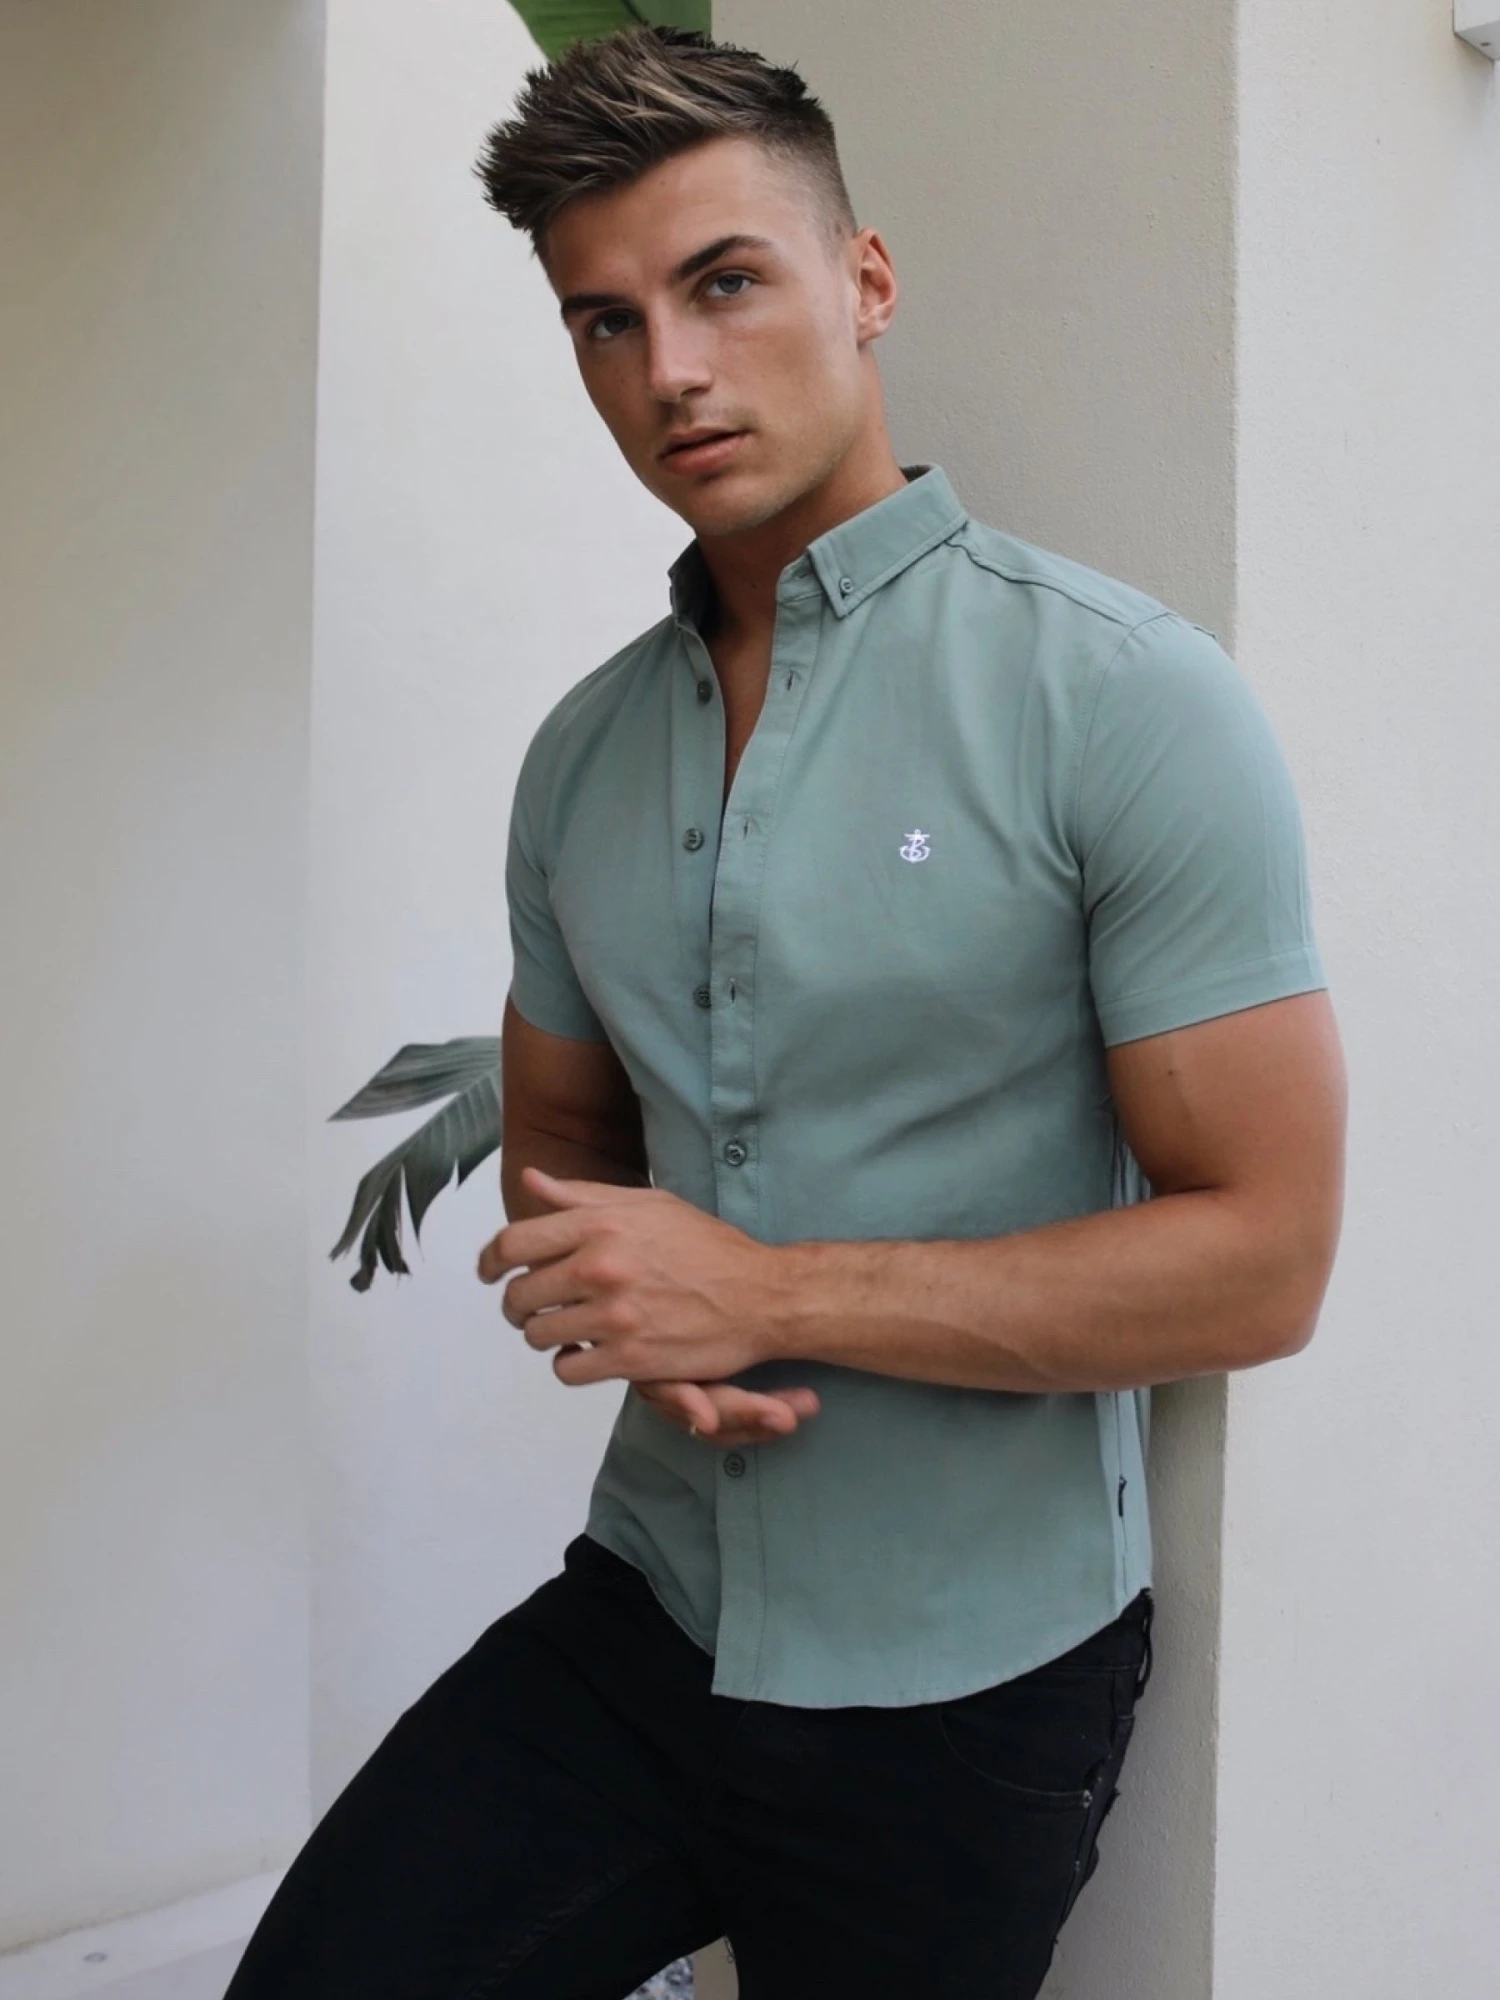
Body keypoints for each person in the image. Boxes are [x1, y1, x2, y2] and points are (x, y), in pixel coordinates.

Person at [225, 25, 1346, 2000]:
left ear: (866, 280)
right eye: (606, 320)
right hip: (648, 1609)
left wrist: (766, 1291)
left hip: (972, 1678)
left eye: (724, 281)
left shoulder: (1118, 699)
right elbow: (567, 1144)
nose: (668, 367)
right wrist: (620, 1298)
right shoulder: (580, 758)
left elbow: (1264, 1258)